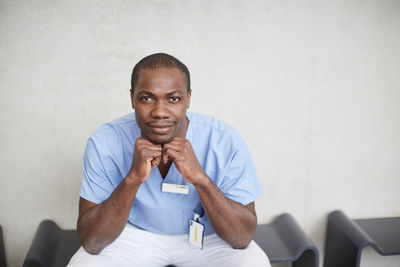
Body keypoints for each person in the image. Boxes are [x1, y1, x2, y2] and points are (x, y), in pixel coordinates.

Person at [68, 53, 271, 267]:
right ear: (132, 98)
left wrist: (201, 179)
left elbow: (242, 238)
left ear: (188, 98)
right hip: (132, 235)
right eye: (146, 98)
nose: (160, 112)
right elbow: (92, 242)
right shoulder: (105, 140)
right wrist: (133, 179)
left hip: (210, 238)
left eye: (173, 98)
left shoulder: (224, 140)